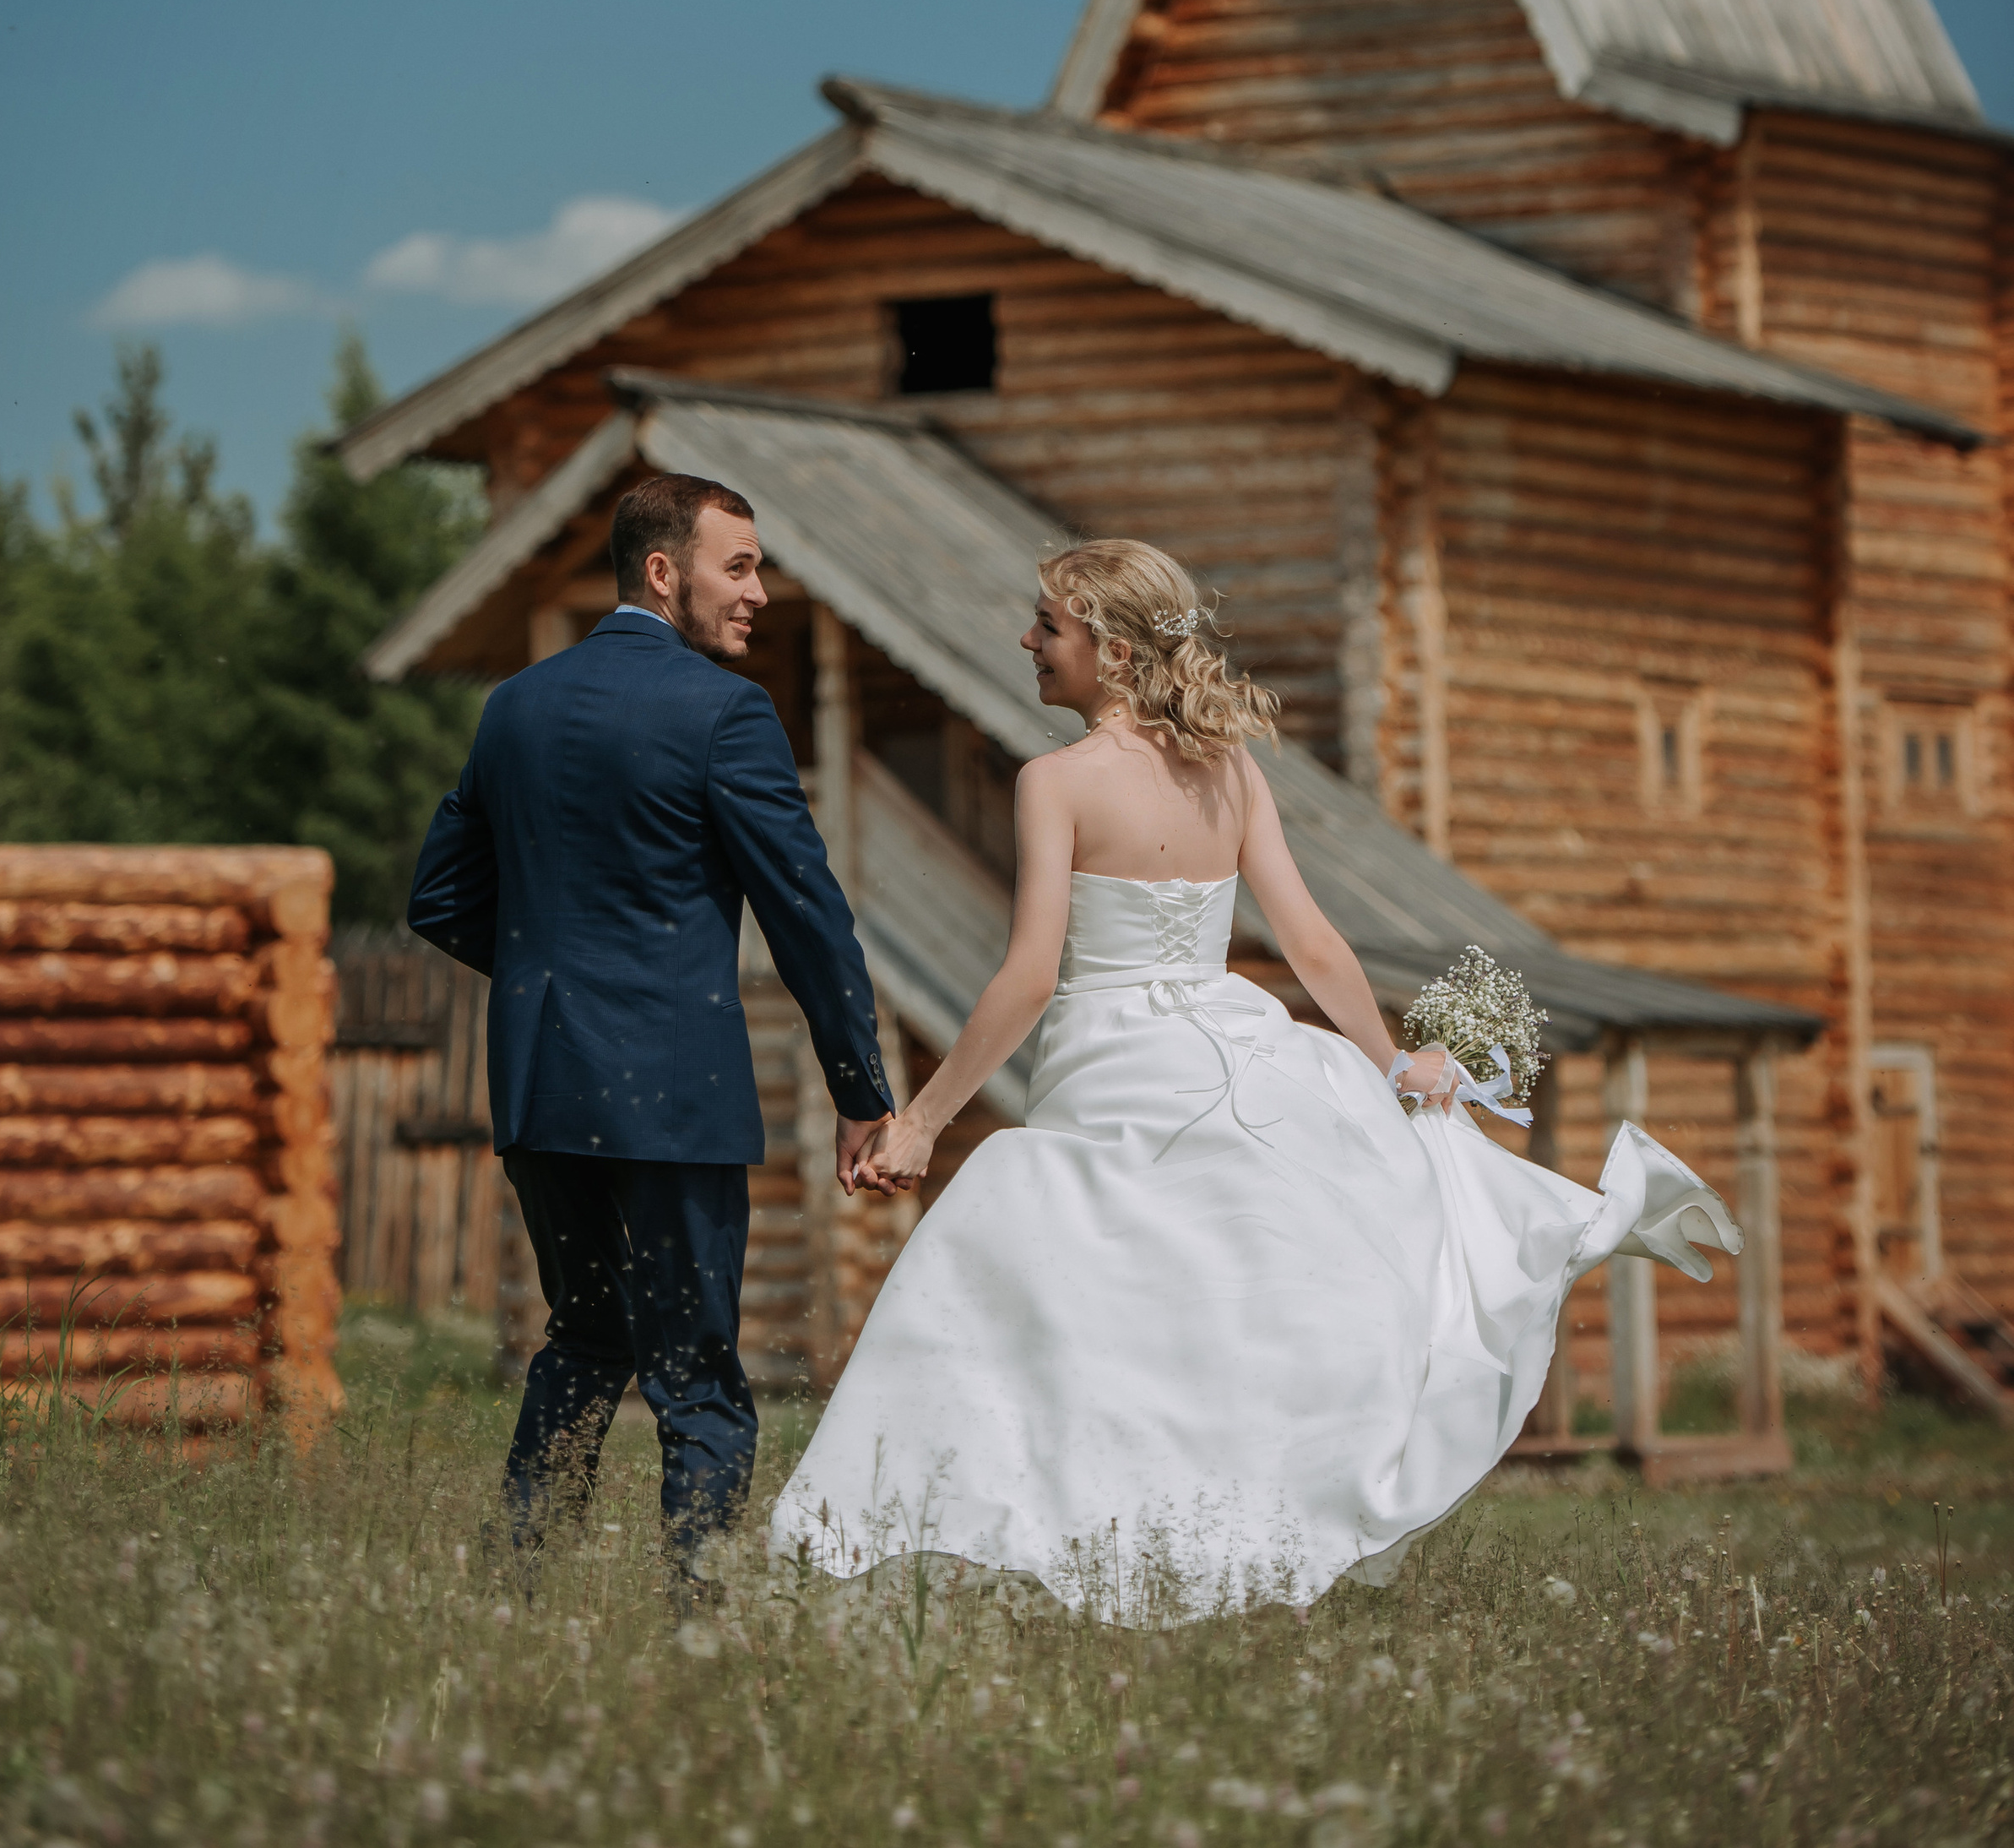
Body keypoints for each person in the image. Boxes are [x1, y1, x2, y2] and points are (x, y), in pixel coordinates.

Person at [768, 536, 1738, 1616]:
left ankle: (914, 1522)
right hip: (1232, 1040)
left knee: (1041, 1256)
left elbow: (1032, 977)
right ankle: (1172, 1526)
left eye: (1051, 624)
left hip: (1120, 1061)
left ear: (1117, 651)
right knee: (1211, 1301)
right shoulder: (1229, 771)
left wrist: (926, 1123)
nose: (1029, 641)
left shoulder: (1057, 783)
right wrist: (1389, 1064)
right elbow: (1313, 945)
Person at [409, 473, 893, 1576]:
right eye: (740, 566)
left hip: (541, 1080)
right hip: (672, 1095)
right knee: (696, 1370)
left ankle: (518, 1590)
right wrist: (860, 1088)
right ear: (662, 571)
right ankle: (699, 1626)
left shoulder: (514, 705)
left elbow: (438, 897)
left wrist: (552, 974)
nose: (760, 592)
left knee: (581, 1341)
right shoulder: (727, 711)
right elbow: (807, 913)